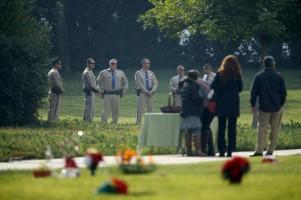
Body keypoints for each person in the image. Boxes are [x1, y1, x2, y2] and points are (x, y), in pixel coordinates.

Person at [250, 56, 287, 156]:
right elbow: (283, 93)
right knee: (275, 129)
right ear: (273, 64)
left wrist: (253, 104)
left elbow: (254, 92)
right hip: (276, 107)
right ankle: (270, 150)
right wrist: (280, 104)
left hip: (264, 107)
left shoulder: (259, 76)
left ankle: (259, 150)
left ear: (264, 64)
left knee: (262, 128)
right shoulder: (279, 76)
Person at [211, 55, 243, 157]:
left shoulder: (220, 74)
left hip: (221, 104)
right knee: (232, 128)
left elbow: (212, 86)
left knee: (221, 127)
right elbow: (240, 88)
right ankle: (230, 149)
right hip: (233, 104)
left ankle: (221, 150)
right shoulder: (237, 75)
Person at [180, 70, 206, 156]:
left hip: (186, 111)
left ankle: (189, 151)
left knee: (188, 132)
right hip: (194, 111)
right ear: (195, 77)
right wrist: (203, 99)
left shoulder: (185, 85)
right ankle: (198, 151)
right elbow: (196, 98)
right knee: (197, 131)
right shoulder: (193, 86)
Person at [96, 58, 128, 123]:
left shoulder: (120, 72)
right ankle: (103, 122)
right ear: (109, 64)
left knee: (116, 109)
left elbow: (126, 81)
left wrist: (124, 89)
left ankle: (114, 122)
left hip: (117, 94)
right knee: (106, 110)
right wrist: (99, 90)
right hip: (107, 94)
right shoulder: (103, 72)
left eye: (115, 64)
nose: (114, 65)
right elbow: (97, 82)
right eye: (112, 63)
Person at [198, 64, 216, 156]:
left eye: (206, 69)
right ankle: (210, 148)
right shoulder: (204, 76)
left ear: (210, 69)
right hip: (206, 102)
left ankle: (208, 148)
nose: (205, 71)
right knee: (206, 126)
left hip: (211, 101)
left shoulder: (214, 76)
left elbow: (212, 87)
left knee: (206, 126)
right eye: (204, 70)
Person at [135, 58, 158, 125]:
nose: (147, 64)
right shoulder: (138, 73)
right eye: (146, 63)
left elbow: (155, 83)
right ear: (142, 64)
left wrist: (152, 91)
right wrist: (146, 91)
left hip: (150, 94)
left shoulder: (151, 73)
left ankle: (150, 123)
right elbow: (139, 83)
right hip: (142, 93)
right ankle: (138, 122)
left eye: (148, 63)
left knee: (150, 109)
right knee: (140, 109)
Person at [82, 58, 99, 122]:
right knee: (89, 107)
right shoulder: (86, 72)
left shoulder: (90, 71)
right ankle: (87, 121)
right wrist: (97, 90)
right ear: (88, 64)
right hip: (89, 92)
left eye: (94, 63)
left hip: (92, 92)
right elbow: (91, 84)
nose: (93, 65)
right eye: (91, 63)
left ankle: (87, 120)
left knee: (91, 107)